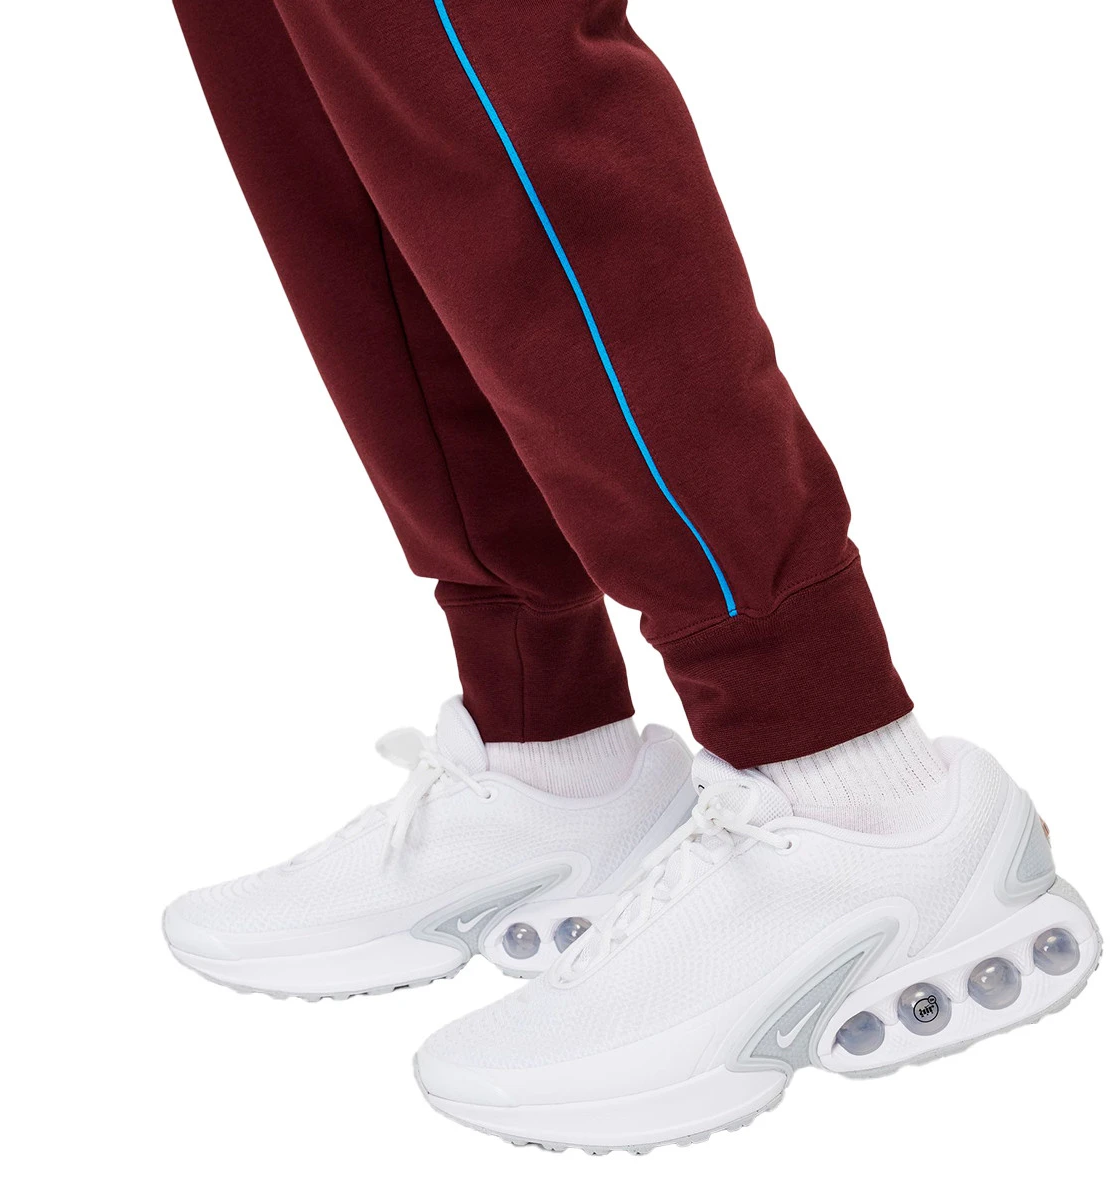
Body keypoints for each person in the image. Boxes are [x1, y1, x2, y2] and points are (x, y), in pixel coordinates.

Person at [162, 0, 1099, 1151]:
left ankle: (845, 778)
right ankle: (550, 753)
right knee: (302, 85)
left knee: (473, 54)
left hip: (834, 767)